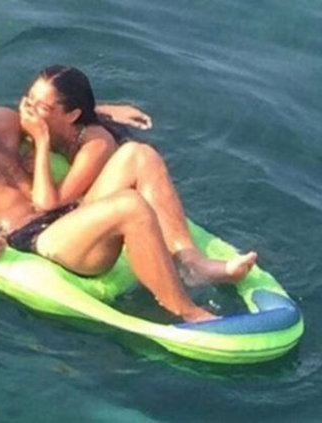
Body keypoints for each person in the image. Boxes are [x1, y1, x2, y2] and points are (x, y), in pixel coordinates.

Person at [0, 37, 216, 322]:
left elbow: (48, 119)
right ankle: (188, 313)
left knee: (140, 155)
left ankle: (190, 262)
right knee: (129, 205)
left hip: (66, 216)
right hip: (35, 240)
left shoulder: (3, 120)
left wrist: (101, 111)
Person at [18, 65, 257, 285]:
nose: (30, 111)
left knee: (141, 156)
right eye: (29, 100)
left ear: (72, 115)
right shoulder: (42, 119)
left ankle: (191, 263)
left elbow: (49, 204)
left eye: (43, 108)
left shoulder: (96, 143)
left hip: (115, 184)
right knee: (140, 155)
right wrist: (105, 110)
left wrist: (41, 142)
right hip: (88, 137)